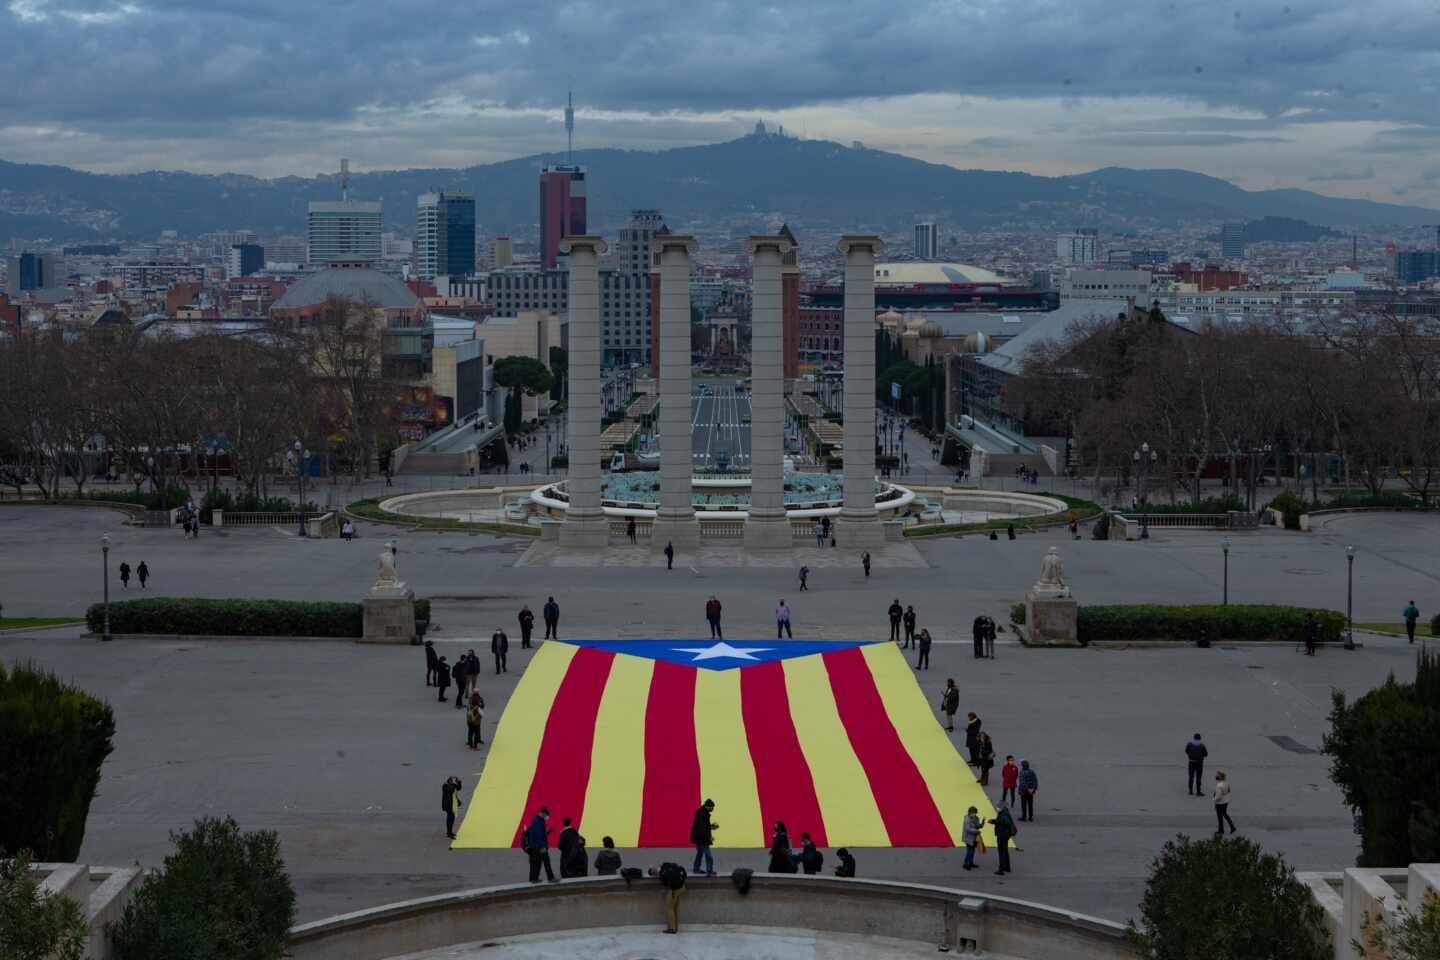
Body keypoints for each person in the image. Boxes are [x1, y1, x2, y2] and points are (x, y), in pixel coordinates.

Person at [524, 807, 557, 883]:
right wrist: (542, 847)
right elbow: (538, 835)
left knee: (536, 863)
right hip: (539, 847)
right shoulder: (538, 821)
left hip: (536, 846)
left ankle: (534, 879)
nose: (547, 817)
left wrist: (546, 832)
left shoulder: (537, 820)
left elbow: (540, 833)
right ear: (543, 813)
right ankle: (551, 878)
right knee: (546, 862)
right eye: (547, 815)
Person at [652, 862, 687, 934]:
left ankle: (672, 929)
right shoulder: (666, 865)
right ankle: (676, 927)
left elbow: (665, 884)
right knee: (675, 908)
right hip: (682, 887)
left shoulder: (662, 874)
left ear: (655, 872)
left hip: (675, 890)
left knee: (669, 908)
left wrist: (660, 875)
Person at [690, 798, 717, 876]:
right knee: (709, 856)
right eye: (712, 807)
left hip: (698, 838)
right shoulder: (702, 814)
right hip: (702, 839)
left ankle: (696, 869)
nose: (712, 809)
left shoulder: (701, 812)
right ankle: (709, 870)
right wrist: (709, 837)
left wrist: (711, 826)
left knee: (699, 853)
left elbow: (704, 827)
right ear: (707, 806)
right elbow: (703, 830)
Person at [990, 803, 1017, 875]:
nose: (996, 809)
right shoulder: (1005, 812)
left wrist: (995, 822)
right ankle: (1007, 867)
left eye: (997, 808)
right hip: (1005, 834)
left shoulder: (1003, 815)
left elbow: (1005, 822)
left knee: (1001, 851)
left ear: (1001, 808)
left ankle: (1001, 869)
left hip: (1002, 835)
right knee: (1005, 851)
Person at [1214, 770, 1237, 835]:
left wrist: (1214, 799)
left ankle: (1221, 829)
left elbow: (1218, 796)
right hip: (1225, 802)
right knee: (1225, 814)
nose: (1216, 776)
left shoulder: (1219, 785)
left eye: (1217, 775)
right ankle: (1232, 827)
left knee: (1219, 816)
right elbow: (1228, 791)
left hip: (1220, 803)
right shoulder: (1226, 783)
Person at [961, 806, 983, 870]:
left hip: (973, 837)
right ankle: (966, 864)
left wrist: (981, 825)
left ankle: (970, 863)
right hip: (968, 838)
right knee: (969, 851)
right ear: (970, 812)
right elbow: (968, 829)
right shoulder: (967, 820)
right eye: (974, 813)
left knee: (972, 851)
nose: (975, 814)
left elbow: (977, 825)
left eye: (975, 813)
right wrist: (977, 831)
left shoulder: (975, 818)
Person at [1186, 732, 1208, 796]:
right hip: (1199, 763)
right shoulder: (1202, 745)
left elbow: (1186, 751)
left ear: (1194, 738)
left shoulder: (1189, 744)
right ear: (1199, 738)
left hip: (1191, 762)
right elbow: (1206, 754)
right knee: (1198, 777)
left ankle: (1190, 791)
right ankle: (1198, 792)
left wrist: (1190, 755)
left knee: (1191, 776)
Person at [442, 775, 463, 840]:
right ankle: (449, 833)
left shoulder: (452, 785)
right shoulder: (445, 786)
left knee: (452, 818)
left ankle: (450, 832)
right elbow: (451, 789)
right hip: (448, 805)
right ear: (448, 781)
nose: (453, 781)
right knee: (450, 818)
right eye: (451, 780)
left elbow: (458, 788)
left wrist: (458, 782)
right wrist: (455, 784)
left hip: (453, 804)